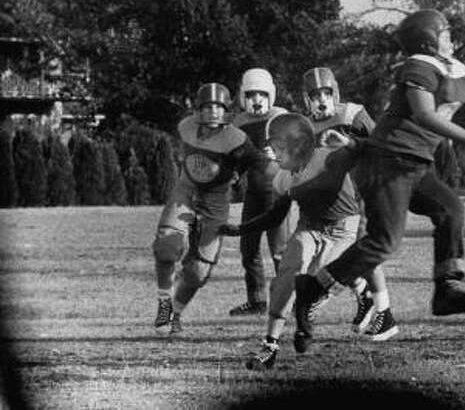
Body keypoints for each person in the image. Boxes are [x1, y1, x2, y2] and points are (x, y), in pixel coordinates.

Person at [292, 8, 465, 344]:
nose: (452, 38)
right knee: (384, 242)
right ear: (428, 41)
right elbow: (423, 113)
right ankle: (312, 287)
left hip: (415, 164)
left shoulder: (451, 68)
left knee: (451, 209)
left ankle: (445, 290)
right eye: (445, 33)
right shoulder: (417, 66)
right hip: (387, 162)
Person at [219, 113, 377, 368]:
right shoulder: (282, 177)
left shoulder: (328, 156)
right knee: (288, 271)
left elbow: (368, 154)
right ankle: (269, 346)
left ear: (299, 144)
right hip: (310, 226)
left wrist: (348, 143)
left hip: (343, 227)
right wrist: (241, 229)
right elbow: (275, 216)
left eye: (278, 146)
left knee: (317, 281)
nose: (271, 152)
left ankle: (355, 294)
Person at [151, 82, 273, 336]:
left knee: (198, 272)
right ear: (198, 109)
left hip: (215, 202)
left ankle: (175, 312)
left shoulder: (236, 139)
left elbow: (259, 162)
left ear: (227, 109)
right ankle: (164, 302)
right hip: (186, 192)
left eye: (219, 106)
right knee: (166, 245)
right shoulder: (186, 127)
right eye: (208, 106)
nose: (214, 112)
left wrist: (274, 158)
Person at [301, 66, 397, 339]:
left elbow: (380, 146)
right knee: (349, 254)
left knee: (364, 251)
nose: (321, 99)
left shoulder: (352, 114)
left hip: (362, 192)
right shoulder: (305, 126)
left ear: (336, 92)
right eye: (315, 94)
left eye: (326, 92)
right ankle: (365, 296)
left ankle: (385, 313)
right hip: (329, 201)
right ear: (306, 99)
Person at [227, 68, 294, 317]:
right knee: (248, 248)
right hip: (253, 191)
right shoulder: (240, 122)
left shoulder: (281, 117)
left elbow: (299, 147)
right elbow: (237, 156)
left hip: (277, 192)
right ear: (243, 96)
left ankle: (291, 299)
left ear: (271, 95)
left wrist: (280, 153)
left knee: (279, 250)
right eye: (251, 94)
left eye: (261, 94)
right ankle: (256, 300)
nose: (256, 99)